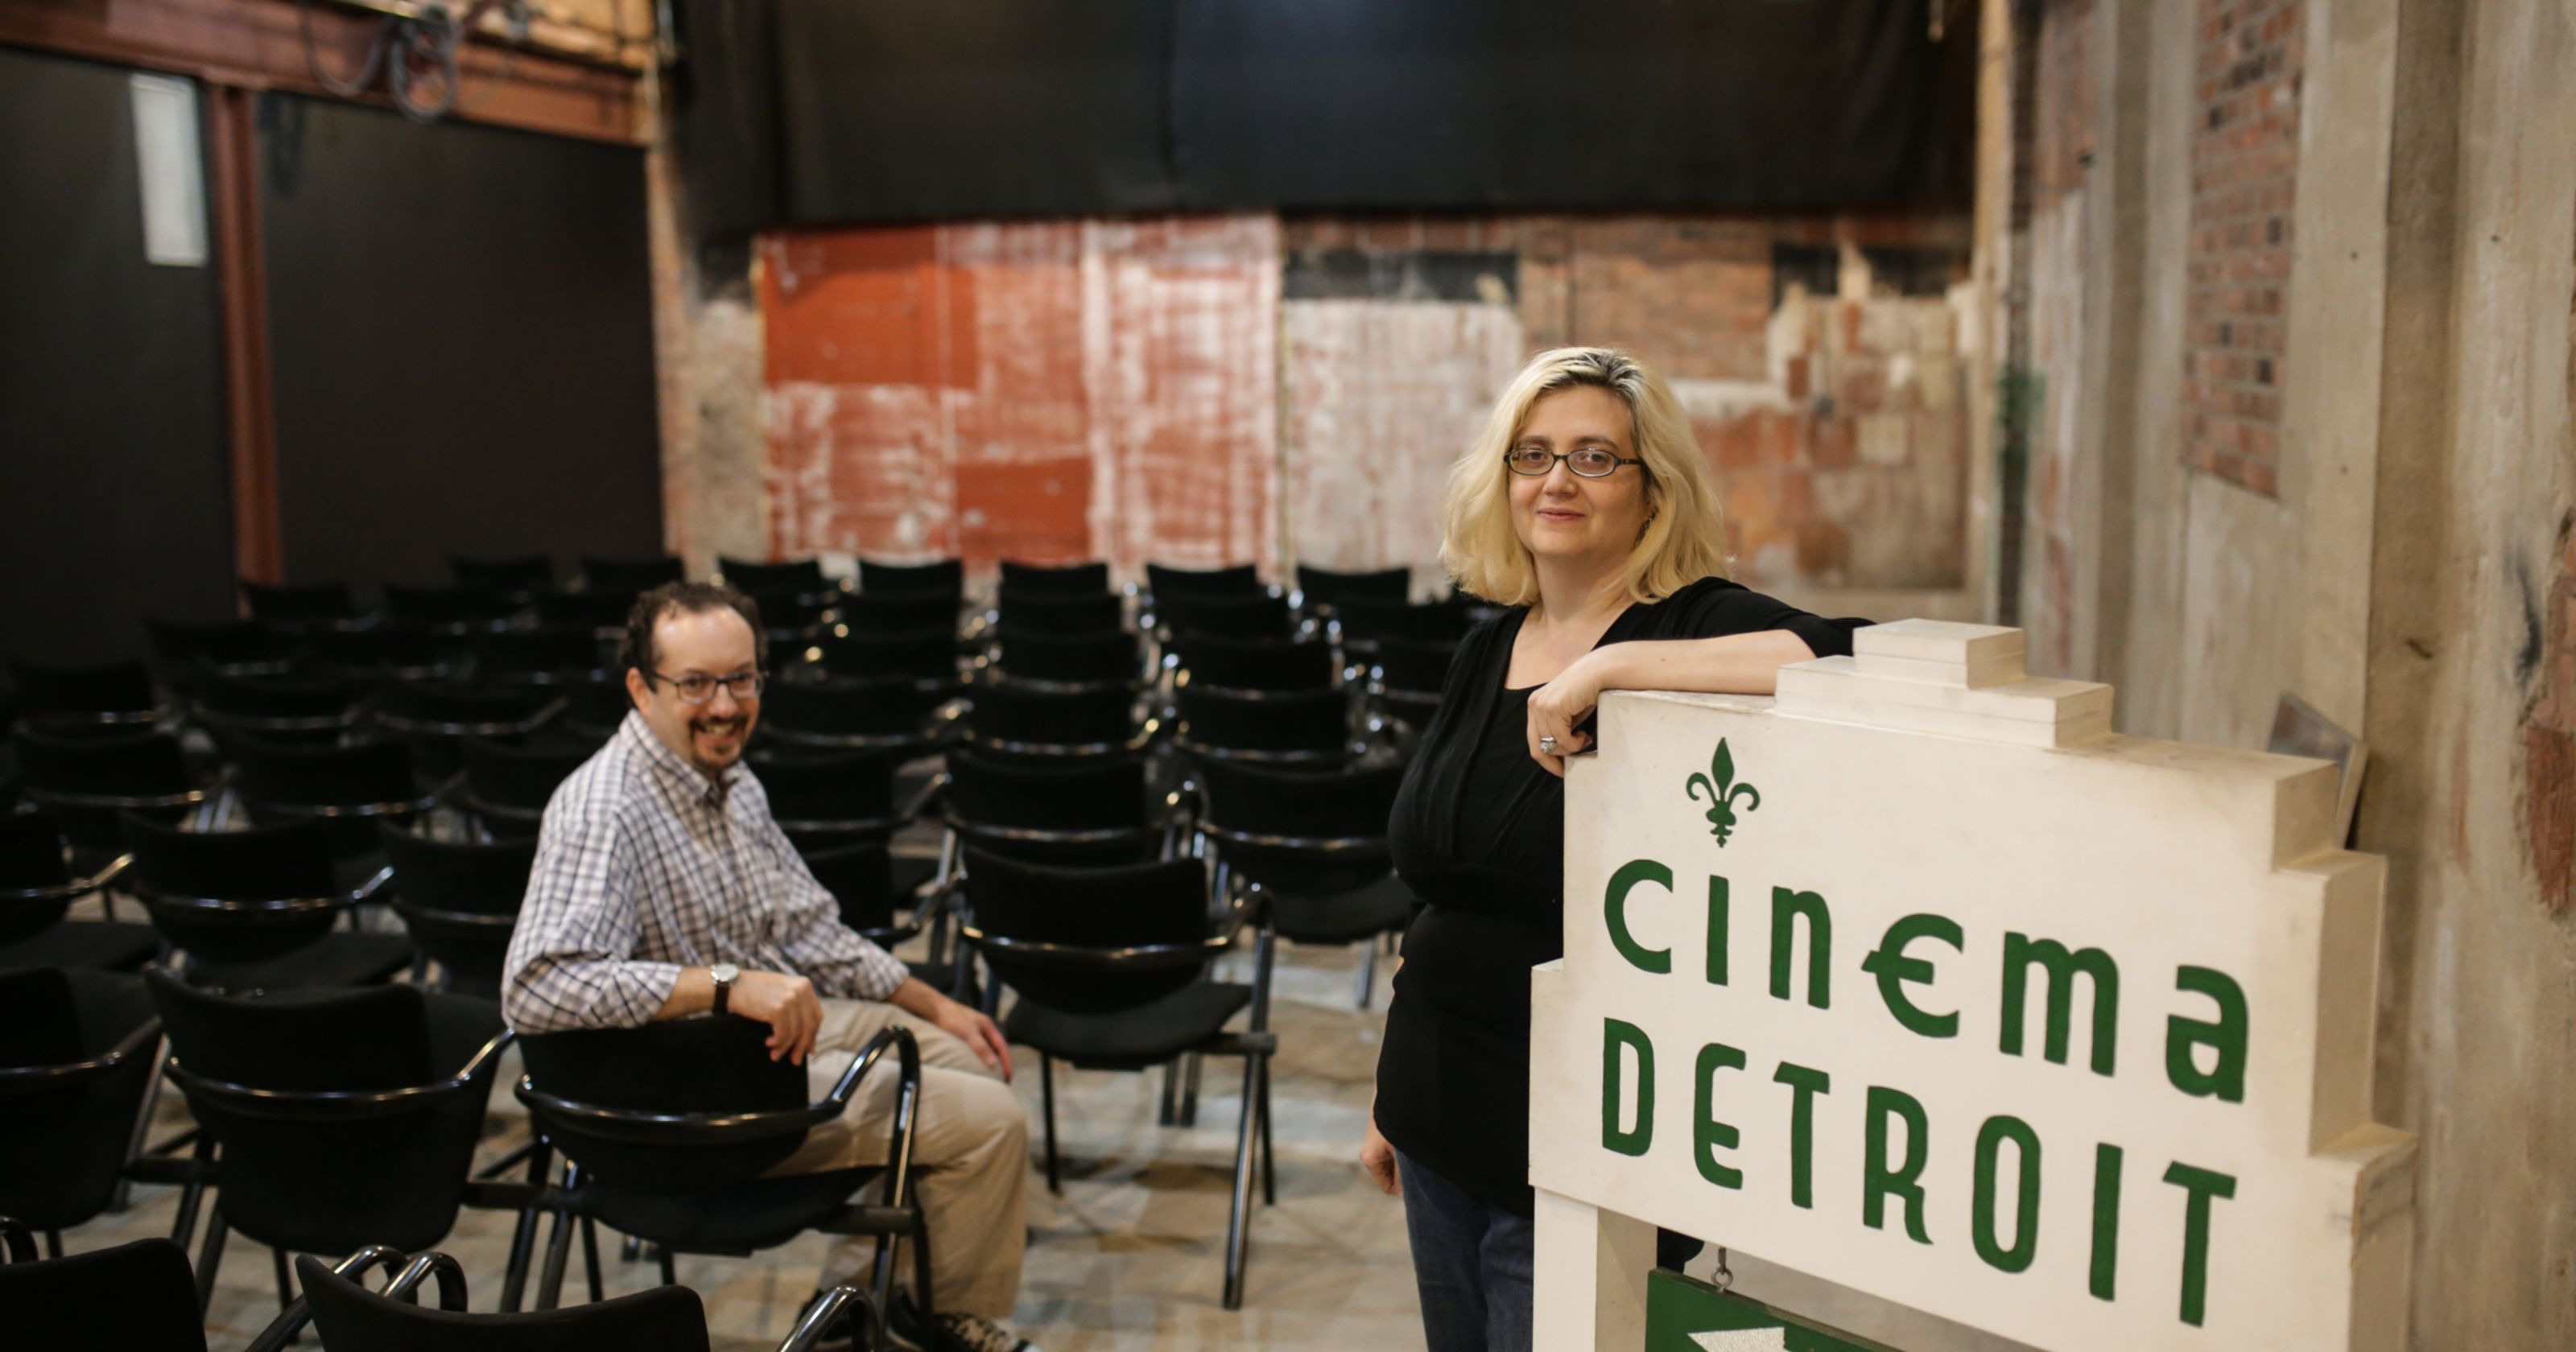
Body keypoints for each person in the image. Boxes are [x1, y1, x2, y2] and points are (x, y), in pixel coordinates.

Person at [1359, 348, 1867, 1351]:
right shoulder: (1486, 645)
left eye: (1595, 458)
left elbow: (1856, 651)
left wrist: (1618, 662)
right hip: (1435, 1112)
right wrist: (1388, 1091)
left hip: (1586, 1143)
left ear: (1652, 492)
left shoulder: (1690, 624)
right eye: (1533, 454)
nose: (1556, 480)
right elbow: (1441, 894)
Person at [502, 581, 1040, 1352]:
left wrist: (934, 1003)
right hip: (693, 1098)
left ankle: (857, 1303)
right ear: (640, 687)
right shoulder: (605, 810)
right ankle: (933, 1316)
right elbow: (536, 986)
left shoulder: (730, 781)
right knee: (990, 1123)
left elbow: (810, 930)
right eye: (695, 683)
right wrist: (724, 987)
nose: (725, 705)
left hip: (757, 1047)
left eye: (741, 678)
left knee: (963, 1055)